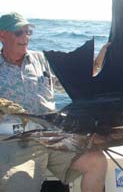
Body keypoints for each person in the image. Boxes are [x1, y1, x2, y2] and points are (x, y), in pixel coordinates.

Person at [0, 12, 108, 192]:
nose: (25, 37)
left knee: (96, 162)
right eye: (19, 32)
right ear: (2, 35)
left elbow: (68, 82)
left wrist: (100, 60)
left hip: (53, 135)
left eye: (28, 32)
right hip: (16, 141)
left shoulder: (40, 59)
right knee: (20, 182)